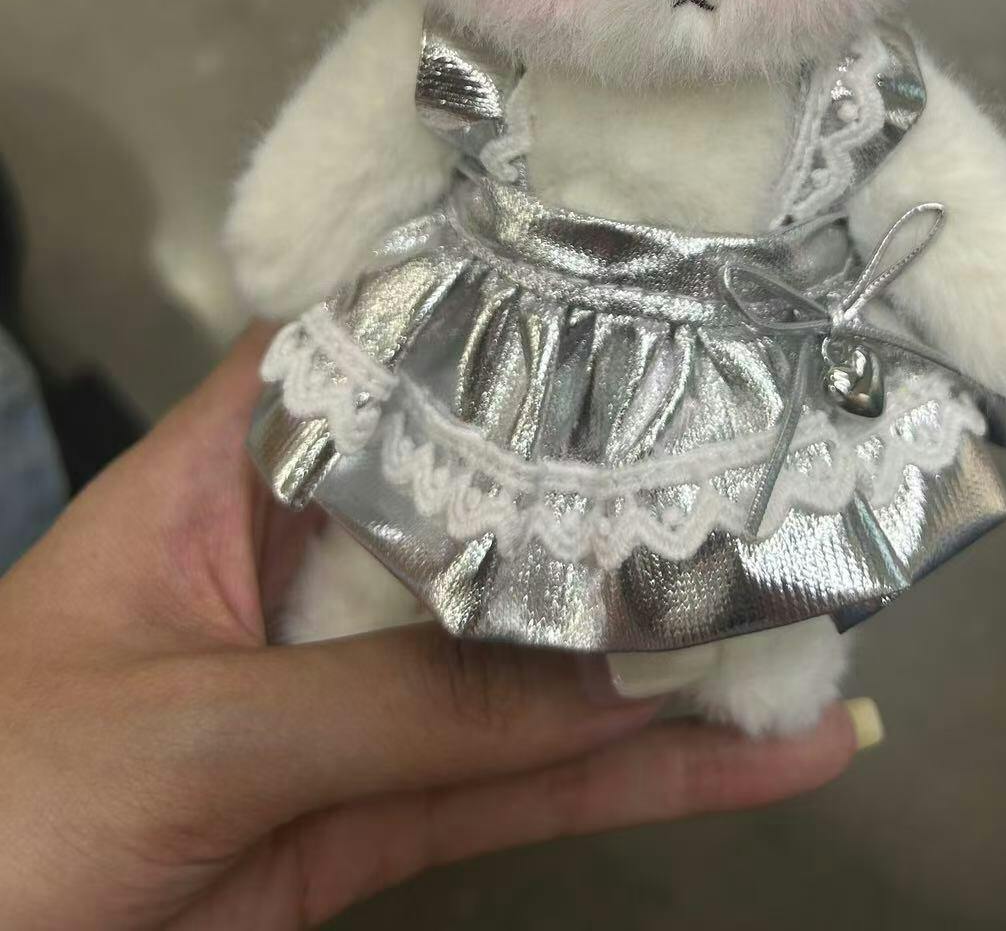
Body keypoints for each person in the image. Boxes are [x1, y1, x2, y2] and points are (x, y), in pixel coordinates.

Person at [0, 307, 873, 927]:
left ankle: (754, 635)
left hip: (729, 344)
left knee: (734, 495)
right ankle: (367, 609)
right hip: (507, 332)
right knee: (434, 492)